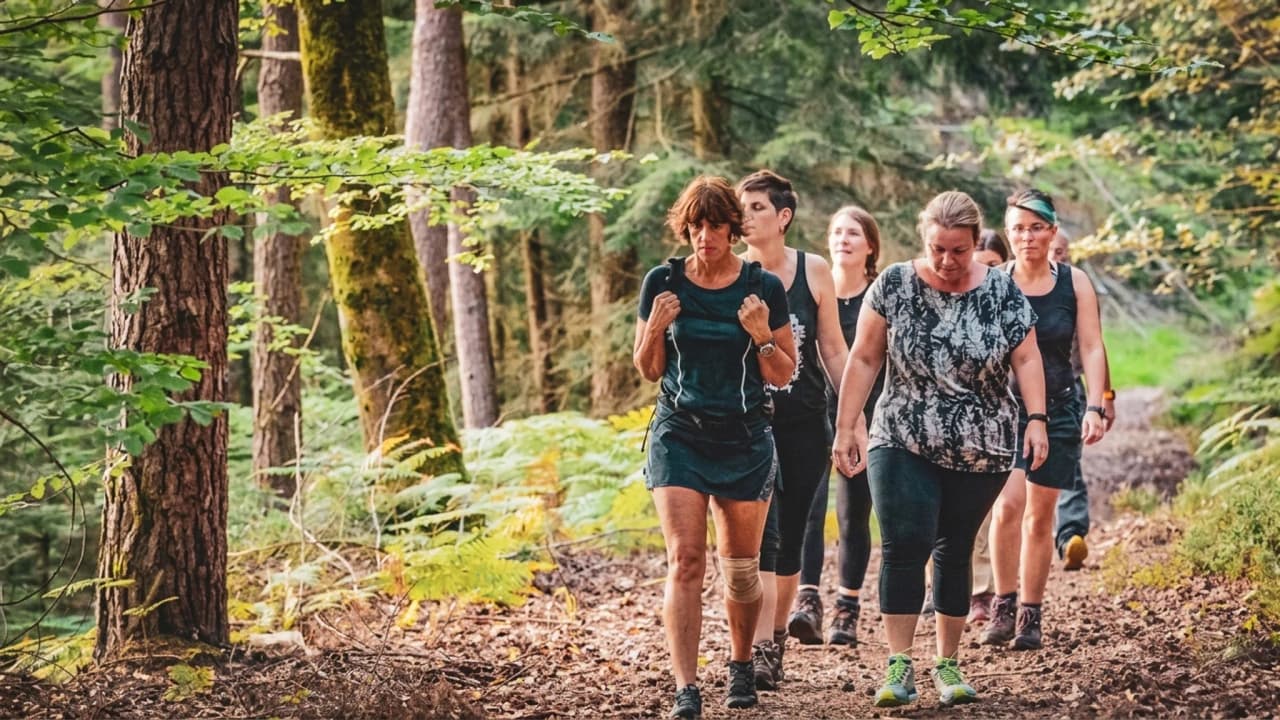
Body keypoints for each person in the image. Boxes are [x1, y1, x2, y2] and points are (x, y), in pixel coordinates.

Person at [832, 190, 1048, 708]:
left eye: (958, 250)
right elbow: (863, 358)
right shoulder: (895, 285)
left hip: (983, 444)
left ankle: (947, 664)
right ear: (922, 240)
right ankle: (899, 664)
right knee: (906, 544)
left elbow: (1027, 358)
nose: (948, 261)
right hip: (902, 433)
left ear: (976, 243)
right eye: (937, 249)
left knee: (954, 547)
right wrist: (846, 427)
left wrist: (1037, 420)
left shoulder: (1001, 290)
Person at [635, 175, 797, 718]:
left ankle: (741, 664)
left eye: (716, 226)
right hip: (679, 433)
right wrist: (655, 327)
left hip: (745, 437)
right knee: (685, 560)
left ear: (733, 229)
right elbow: (649, 369)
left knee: (743, 569)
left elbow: (782, 373)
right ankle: (685, 687)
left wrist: (761, 335)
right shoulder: (662, 280)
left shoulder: (762, 289)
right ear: (686, 227)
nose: (705, 236)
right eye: (696, 226)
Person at [734, 170, 852, 690]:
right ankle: (758, 648)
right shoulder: (733, 274)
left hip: (806, 423)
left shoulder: (815, 270)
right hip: (749, 426)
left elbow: (832, 349)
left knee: (791, 544)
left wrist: (853, 418)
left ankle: (774, 640)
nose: (746, 216)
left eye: (757, 207)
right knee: (761, 538)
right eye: (743, 207)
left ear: (783, 216)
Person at [983, 190, 1109, 652]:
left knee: (1040, 517)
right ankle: (1003, 602)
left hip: (1058, 408)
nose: (1027, 237)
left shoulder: (1073, 284)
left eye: (1037, 227)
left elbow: (1092, 347)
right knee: (1007, 506)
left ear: (1053, 231)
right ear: (1008, 231)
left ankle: (1030, 614)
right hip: (1002, 411)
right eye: (1018, 228)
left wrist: (1096, 403)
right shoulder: (992, 282)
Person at [790, 205, 884, 647]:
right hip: (812, 412)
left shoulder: (879, 297)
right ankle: (807, 601)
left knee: (852, 513)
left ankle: (847, 607)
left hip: (866, 418)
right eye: (836, 232)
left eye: (853, 233)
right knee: (808, 510)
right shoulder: (812, 292)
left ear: (870, 247)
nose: (843, 239)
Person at [1049, 230, 1117, 571]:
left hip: (1069, 389)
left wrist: (1106, 396)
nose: (1055, 256)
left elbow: (1095, 347)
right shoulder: (1012, 284)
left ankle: (1070, 536)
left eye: (1061, 251)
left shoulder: (1078, 288)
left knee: (1068, 464)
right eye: (1051, 251)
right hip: (1016, 394)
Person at [966, 228, 1011, 622]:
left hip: (1006, 414)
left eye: (993, 266)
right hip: (965, 417)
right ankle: (978, 590)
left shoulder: (1010, 300)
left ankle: (999, 588)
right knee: (975, 511)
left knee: (1004, 509)